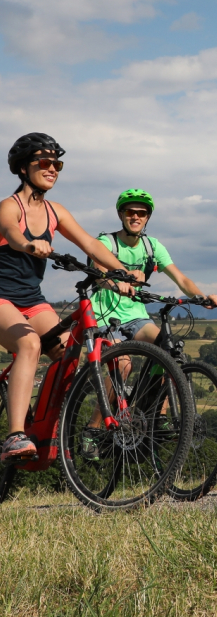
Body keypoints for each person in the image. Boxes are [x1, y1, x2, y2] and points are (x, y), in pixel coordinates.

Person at [0, 133, 134, 462]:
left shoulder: (54, 211)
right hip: (1, 299)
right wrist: (30, 245)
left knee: (70, 352)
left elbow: (90, 244)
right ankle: (15, 435)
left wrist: (122, 273)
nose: (53, 169)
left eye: (57, 164)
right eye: (44, 163)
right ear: (22, 169)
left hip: (33, 301)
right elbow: (10, 232)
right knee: (29, 344)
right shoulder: (9, 206)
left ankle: (48, 427)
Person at [81, 188, 217, 459]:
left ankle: (159, 411)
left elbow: (181, 280)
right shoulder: (107, 241)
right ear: (121, 215)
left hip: (135, 315)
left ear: (147, 217)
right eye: (130, 212)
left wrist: (202, 297)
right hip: (103, 313)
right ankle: (93, 429)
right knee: (122, 365)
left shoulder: (152, 246)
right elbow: (96, 272)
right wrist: (115, 282)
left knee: (168, 348)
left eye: (141, 213)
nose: (135, 216)